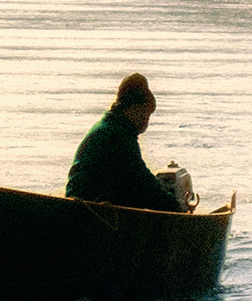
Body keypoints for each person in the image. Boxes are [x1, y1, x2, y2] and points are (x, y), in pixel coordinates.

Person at [65, 72, 187, 212]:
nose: (146, 121)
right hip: (91, 209)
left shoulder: (110, 126)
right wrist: (176, 208)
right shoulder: (116, 136)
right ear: (133, 108)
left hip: (85, 202)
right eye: (145, 113)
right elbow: (142, 182)